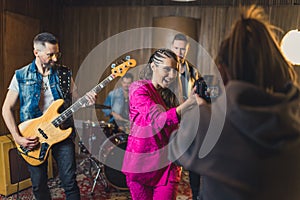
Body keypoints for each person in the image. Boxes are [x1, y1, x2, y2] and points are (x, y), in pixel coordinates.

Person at [169, 5, 300, 200]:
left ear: (223, 71)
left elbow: (173, 149)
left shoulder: (205, 125)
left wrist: (203, 111)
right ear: (279, 67)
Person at [2, 32, 96, 200]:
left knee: (69, 181)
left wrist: (86, 101)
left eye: (57, 54)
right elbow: (6, 109)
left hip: (63, 132)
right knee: (38, 184)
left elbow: (76, 99)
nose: (55, 59)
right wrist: (17, 137)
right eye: (50, 54)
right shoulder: (21, 75)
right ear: (36, 52)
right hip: (33, 136)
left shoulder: (64, 73)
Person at [121, 48, 200, 200]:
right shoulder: (138, 88)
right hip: (140, 164)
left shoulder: (173, 96)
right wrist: (187, 105)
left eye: (175, 70)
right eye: (167, 69)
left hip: (167, 166)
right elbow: (157, 120)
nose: (171, 75)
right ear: (153, 67)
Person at [171, 33, 201, 200]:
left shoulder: (193, 71)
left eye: (183, 49)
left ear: (187, 50)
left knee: (195, 161)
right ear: (171, 47)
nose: (179, 52)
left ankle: (196, 194)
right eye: (176, 48)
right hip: (170, 118)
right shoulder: (166, 68)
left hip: (188, 121)